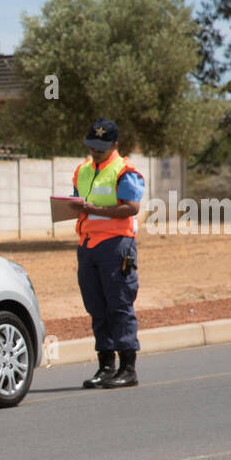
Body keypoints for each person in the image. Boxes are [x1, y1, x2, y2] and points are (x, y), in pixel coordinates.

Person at [73, 118, 145, 389]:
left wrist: (95, 209)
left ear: (115, 145)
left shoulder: (125, 172)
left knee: (119, 305)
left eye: (100, 148)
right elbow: (76, 200)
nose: (95, 152)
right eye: (91, 146)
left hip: (117, 245)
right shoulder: (82, 170)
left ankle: (128, 368)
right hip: (88, 245)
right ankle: (105, 366)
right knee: (96, 307)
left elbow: (131, 207)